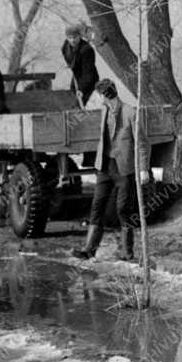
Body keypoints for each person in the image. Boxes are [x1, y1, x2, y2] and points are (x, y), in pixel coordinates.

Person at [72, 79, 150, 262]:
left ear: (107, 95)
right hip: (105, 167)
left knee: (123, 209)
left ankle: (127, 252)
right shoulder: (104, 111)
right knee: (97, 206)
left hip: (124, 169)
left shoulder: (131, 112)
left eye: (104, 96)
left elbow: (142, 144)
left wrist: (144, 169)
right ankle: (89, 250)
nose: (104, 101)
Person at [61, 23, 99, 108]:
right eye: (70, 38)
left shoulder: (87, 50)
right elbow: (72, 65)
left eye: (75, 37)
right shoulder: (65, 47)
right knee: (71, 103)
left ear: (79, 36)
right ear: (67, 38)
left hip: (89, 79)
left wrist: (82, 89)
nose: (72, 40)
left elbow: (88, 72)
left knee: (82, 105)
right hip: (76, 76)